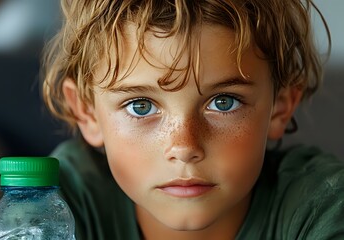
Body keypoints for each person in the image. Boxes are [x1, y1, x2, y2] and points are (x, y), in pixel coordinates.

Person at [41, 0, 344, 239]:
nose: (184, 146)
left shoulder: (322, 206)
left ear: (279, 106)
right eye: (141, 106)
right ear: (88, 112)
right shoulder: (56, 205)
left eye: (223, 103)